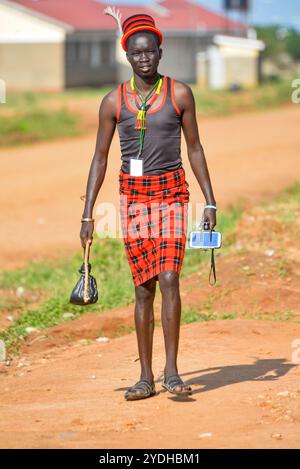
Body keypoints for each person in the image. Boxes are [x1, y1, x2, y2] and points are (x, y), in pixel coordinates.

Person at [80, 13, 217, 401]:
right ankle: (145, 378)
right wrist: (88, 214)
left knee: (170, 277)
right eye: (137, 53)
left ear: (160, 52)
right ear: (127, 55)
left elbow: (194, 148)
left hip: (172, 192)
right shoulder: (113, 102)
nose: (145, 59)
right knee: (144, 287)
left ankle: (172, 373)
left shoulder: (179, 94)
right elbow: (99, 158)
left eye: (150, 52)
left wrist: (210, 200)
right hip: (134, 198)